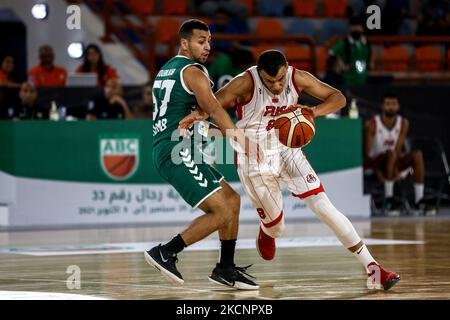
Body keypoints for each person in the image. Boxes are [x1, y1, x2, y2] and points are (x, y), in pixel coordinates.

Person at [180, 49, 400, 290]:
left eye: (280, 79)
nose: (276, 86)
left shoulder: (298, 78)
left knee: (323, 205)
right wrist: (198, 117)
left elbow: (338, 98)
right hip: (254, 155)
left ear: (287, 68)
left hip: (287, 148)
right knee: (277, 226)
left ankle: (373, 268)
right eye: (270, 80)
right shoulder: (244, 82)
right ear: (259, 74)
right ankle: (267, 230)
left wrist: (313, 112)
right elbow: (211, 105)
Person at [145, 19, 261, 290]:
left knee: (231, 201)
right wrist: (240, 139)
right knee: (221, 210)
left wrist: (221, 132)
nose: (207, 46)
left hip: (177, 146)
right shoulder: (193, 71)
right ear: (184, 43)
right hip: (177, 149)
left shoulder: (167, 70)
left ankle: (225, 268)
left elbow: (196, 119)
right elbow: (215, 108)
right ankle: (166, 252)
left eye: (209, 40)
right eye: (201, 41)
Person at [364, 92, 428, 215]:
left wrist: (399, 169)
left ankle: (419, 200)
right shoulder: (373, 123)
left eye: (393, 104)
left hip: (392, 161)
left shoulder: (403, 123)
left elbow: (398, 150)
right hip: (376, 162)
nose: (391, 107)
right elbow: (367, 154)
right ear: (382, 106)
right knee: (390, 154)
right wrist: (378, 171)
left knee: (417, 154)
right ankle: (389, 199)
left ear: (398, 106)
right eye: (388, 104)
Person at [328, 17, 374, 86]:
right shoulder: (342, 43)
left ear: (362, 28)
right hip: (346, 80)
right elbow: (331, 55)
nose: (356, 29)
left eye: (358, 26)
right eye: (354, 26)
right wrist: (339, 65)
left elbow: (370, 56)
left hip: (363, 80)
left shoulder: (366, 44)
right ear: (349, 28)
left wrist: (371, 63)